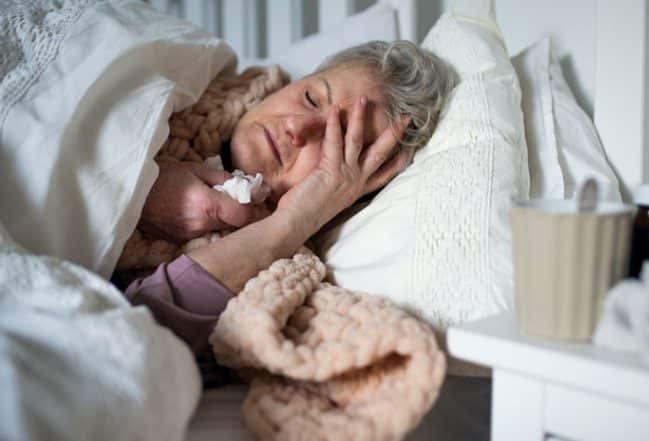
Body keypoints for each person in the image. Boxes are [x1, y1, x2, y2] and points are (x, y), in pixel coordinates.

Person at [123, 41, 456, 370]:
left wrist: (290, 224)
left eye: (336, 141)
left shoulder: (280, 288)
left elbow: (131, 337)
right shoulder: (177, 87)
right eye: (311, 98)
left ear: (350, 193)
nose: (296, 127)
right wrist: (138, 186)